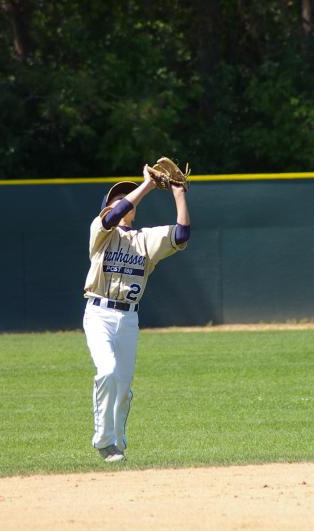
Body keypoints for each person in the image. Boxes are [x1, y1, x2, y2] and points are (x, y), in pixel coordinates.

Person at [82, 164, 191, 462]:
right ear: (107, 207)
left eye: (126, 197)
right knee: (107, 371)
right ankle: (104, 441)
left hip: (129, 318)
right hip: (99, 313)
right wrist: (146, 185)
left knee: (123, 387)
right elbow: (113, 216)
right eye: (117, 198)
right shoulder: (100, 232)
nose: (123, 201)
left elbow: (181, 234)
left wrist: (179, 193)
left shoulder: (145, 239)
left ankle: (117, 441)